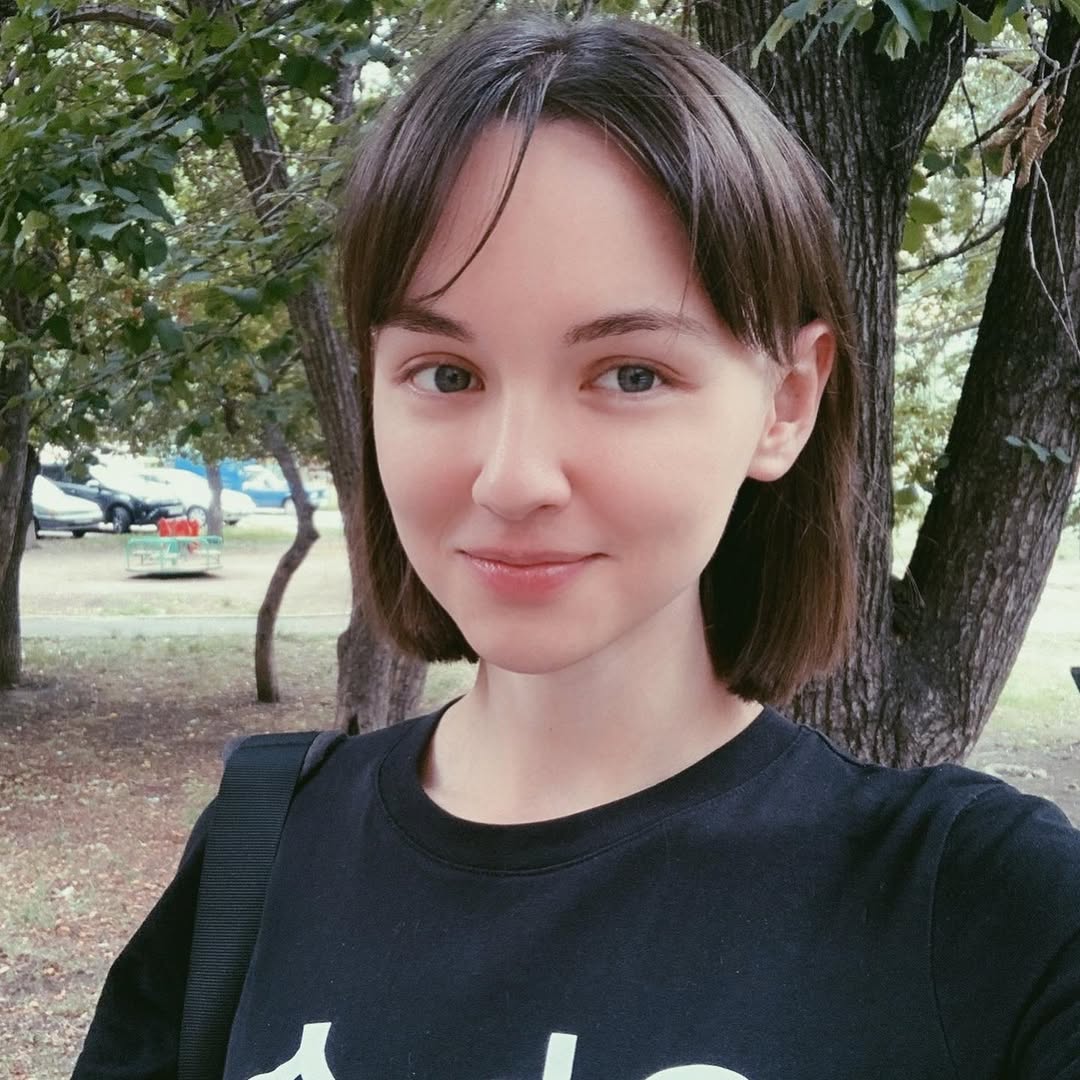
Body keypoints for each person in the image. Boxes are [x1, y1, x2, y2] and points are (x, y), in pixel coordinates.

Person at [73, 15, 1080, 1080]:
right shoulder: (261, 850)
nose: (512, 480)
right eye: (447, 374)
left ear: (787, 402)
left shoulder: (993, 915)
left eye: (631, 374)